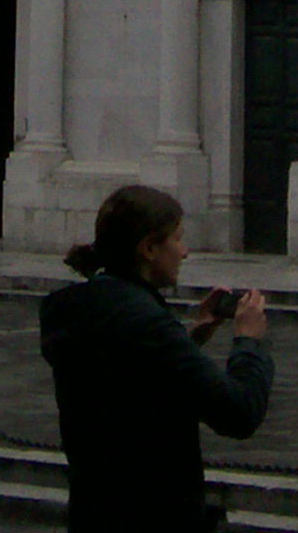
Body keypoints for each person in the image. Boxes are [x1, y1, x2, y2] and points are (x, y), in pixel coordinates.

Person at [40, 182, 273, 533]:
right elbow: (238, 411)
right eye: (177, 238)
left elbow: (130, 379)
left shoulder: (68, 308)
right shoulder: (147, 323)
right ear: (149, 247)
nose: (185, 251)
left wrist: (191, 337)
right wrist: (248, 341)